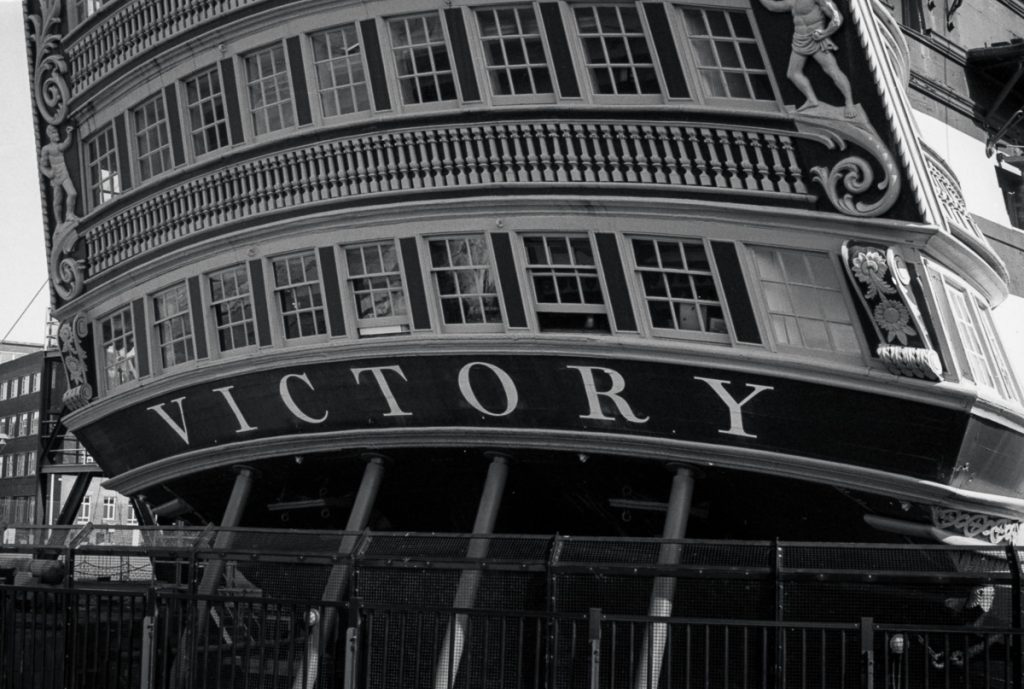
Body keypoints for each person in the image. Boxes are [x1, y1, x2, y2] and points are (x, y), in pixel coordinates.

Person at [759, 0, 856, 118]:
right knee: (793, 73)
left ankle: (849, 103)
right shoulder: (793, 1)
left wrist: (825, 33)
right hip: (799, 40)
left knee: (832, 71)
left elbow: (837, 18)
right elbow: (773, 7)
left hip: (816, 39)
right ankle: (812, 100)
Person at [39, 124, 79, 224]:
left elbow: (66, 144)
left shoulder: (58, 146)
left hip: (64, 173)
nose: (57, 134)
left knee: (72, 193)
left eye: (57, 132)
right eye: (54, 133)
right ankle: (59, 223)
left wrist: (69, 134)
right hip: (55, 176)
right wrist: (49, 173)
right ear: (49, 135)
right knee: (57, 200)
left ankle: (69, 214)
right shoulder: (46, 149)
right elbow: (42, 166)